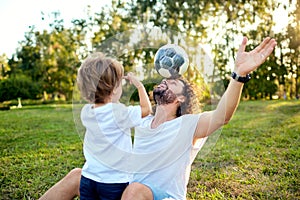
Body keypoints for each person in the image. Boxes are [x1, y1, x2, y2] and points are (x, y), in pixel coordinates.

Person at [39, 36, 277, 200]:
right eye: (163, 80)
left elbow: (222, 116)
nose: (164, 81)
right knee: (77, 175)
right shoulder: (141, 121)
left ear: (181, 99)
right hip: (128, 193)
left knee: (135, 190)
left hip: (158, 196)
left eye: (172, 82)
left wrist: (238, 76)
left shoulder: (187, 126)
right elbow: (104, 108)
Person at [76, 52, 151, 200]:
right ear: (114, 89)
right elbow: (146, 110)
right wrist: (140, 86)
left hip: (88, 178)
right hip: (113, 181)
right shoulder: (118, 113)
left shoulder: (86, 111)